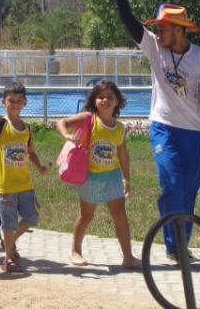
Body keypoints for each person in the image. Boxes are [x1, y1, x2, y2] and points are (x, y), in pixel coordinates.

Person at [111, 0, 200, 261]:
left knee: (189, 192)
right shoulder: (154, 48)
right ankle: (171, 243)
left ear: (179, 29)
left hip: (193, 133)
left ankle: (181, 245)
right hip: (163, 128)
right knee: (172, 185)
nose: (159, 32)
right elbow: (129, 22)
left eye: (163, 27)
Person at [56, 80, 141, 269]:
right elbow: (61, 122)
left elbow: (123, 154)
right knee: (87, 216)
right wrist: (66, 135)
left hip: (112, 176)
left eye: (110, 97)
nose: (105, 100)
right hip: (90, 176)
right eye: (101, 96)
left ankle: (128, 256)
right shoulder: (89, 118)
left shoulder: (119, 128)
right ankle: (75, 250)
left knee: (120, 215)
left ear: (117, 101)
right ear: (94, 100)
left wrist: (127, 178)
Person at [0, 53, 48, 273]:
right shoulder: (0, 125)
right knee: (8, 224)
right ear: (4, 102)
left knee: (31, 218)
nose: (15, 104)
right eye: (11, 101)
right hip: (6, 188)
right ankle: (9, 258)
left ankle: (8, 244)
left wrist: (39, 166)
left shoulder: (27, 128)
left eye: (19, 101)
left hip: (25, 185)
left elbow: (30, 152)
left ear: (25, 103)